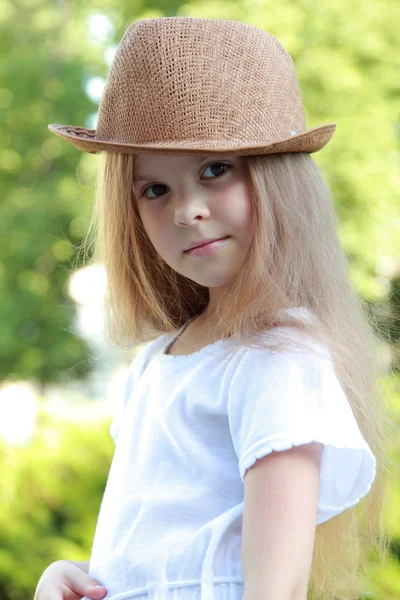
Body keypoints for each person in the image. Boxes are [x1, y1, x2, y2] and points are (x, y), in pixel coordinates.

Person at [35, 16, 392, 600]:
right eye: (155, 189)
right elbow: (152, 548)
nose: (187, 210)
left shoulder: (276, 358)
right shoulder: (158, 362)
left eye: (215, 170)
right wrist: (70, 577)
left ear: (278, 181)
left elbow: (274, 590)